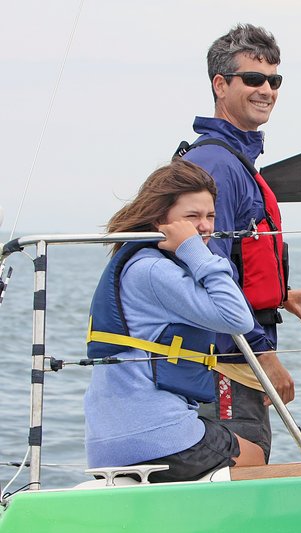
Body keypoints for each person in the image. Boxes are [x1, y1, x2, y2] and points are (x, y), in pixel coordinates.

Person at [179, 23, 301, 461]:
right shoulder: (218, 166)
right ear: (220, 85)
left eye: (274, 80)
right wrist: (265, 358)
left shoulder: (233, 160)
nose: (267, 90)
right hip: (224, 360)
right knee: (244, 462)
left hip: (233, 350)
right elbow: (204, 273)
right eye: (254, 79)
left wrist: (278, 295)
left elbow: (236, 260)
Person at [84, 159, 266, 482]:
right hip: (159, 438)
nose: (206, 226)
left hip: (106, 443)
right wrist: (195, 250)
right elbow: (238, 317)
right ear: (160, 221)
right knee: (257, 457)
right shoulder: (155, 270)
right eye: (192, 217)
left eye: (210, 216)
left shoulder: (137, 262)